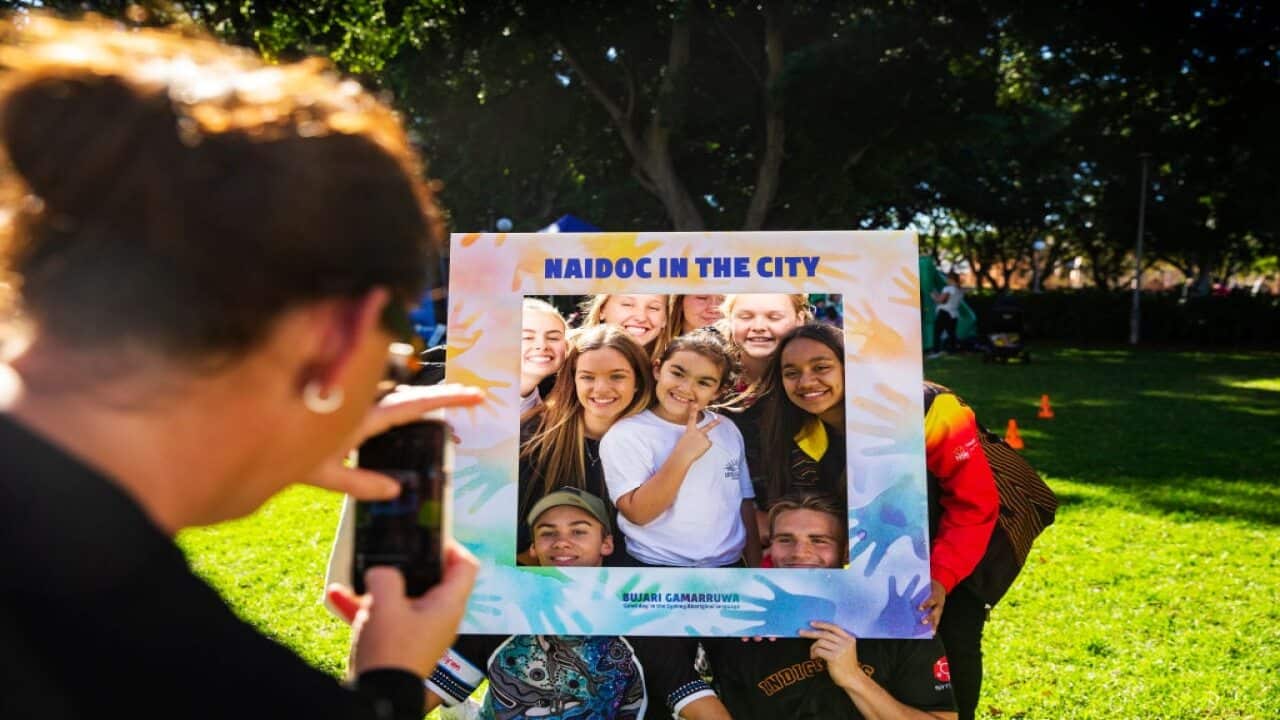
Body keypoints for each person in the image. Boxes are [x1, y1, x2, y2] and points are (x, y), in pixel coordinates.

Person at [0, 16, 482, 719]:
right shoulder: (219, 685)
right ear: (341, 335)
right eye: (395, 350)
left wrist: (258, 446)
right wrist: (389, 688)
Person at [758, 323, 998, 720]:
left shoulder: (930, 407)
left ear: (849, 365)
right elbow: (806, 516)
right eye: (791, 372)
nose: (806, 381)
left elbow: (974, 504)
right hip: (887, 545)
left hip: (958, 541)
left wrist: (940, 577)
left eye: (821, 367)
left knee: (954, 633)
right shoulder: (800, 430)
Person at [411, 488, 731, 719]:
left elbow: (695, 701)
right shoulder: (503, 611)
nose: (562, 542)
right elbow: (426, 693)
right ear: (533, 548)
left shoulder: (636, 618)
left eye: (578, 532)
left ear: (606, 544)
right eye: (547, 533)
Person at [702, 494, 958, 720]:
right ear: (770, 547)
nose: (800, 552)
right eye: (785, 539)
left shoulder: (900, 619)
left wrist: (854, 678)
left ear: (846, 552)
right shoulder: (745, 626)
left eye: (819, 540)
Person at [600, 329, 761, 568]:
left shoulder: (726, 429)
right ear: (658, 369)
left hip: (728, 566)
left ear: (718, 391)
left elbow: (743, 503)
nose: (685, 387)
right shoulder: (627, 434)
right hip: (656, 566)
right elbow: (638, 514)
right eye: (677, 373)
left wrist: (754, 569)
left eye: (704, 382)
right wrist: (683, 455)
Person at [517, 324, 652, 564]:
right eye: (587, 377)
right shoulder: (534, 435)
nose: (601, 389)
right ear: (573, 380)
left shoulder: (657, 441)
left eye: (617, 376)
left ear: (638, 381)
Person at [718, 293, 812, 543]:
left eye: (774, 317)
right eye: (746, 316)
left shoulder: (817, 383)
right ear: (729, 319)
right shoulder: (712, 378)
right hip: (725, 525)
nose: (759, 326)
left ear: (799, 319)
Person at [580, 293, 669, 359]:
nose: (641, 318)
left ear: (665, 318)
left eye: (653, 308)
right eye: (627, 305)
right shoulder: (574, 358)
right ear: (602, 309)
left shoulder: (669, 369)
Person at [519, 298, 568, 412]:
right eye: (527, 337)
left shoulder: (548, 413)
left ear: (566, 347)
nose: (542, 345)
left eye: (553, 338)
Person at [930, 272, 964, 356]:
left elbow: (941, 301)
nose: (946, 280)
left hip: (944, 312)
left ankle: (936, 352)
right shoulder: (959, 289)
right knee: (951, 333)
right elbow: (947, 299)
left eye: (947, 278)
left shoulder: (948, 288)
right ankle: (953, 351)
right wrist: (938, 295)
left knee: (937, 332)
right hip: (954, 313)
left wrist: (933, 296)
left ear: (951, 279)